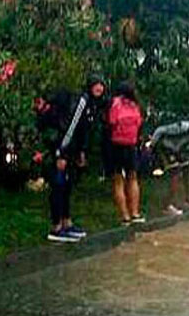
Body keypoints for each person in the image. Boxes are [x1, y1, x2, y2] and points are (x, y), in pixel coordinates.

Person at [33, 75, 106, 242]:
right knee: (58, 186)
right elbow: (69, 127)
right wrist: (61, 153)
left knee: (66, 186)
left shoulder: (92, 105)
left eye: (102, 85)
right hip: (60, 148)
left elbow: (83, 132)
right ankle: (56, 226)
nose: (99, 88)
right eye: (96, 84)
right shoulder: (81, 101)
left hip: (70, 150)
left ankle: (67, 222)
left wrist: (81, 152)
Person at [146, 119, 189, 215]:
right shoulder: (184, 127)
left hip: (178, 148)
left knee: (187, 169)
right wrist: (152, 144)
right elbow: (160, 130)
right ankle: (167, 205)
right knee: (175, 173)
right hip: (165, 147)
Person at [107, 82, 144, 225]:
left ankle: (125, 216)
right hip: (131, 145)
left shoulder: (115, 103)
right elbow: (139, 124)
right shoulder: (135, 105)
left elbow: (111, 122)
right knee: (133, 178)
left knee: (118, 181)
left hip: (116, 144)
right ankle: (135, 213)